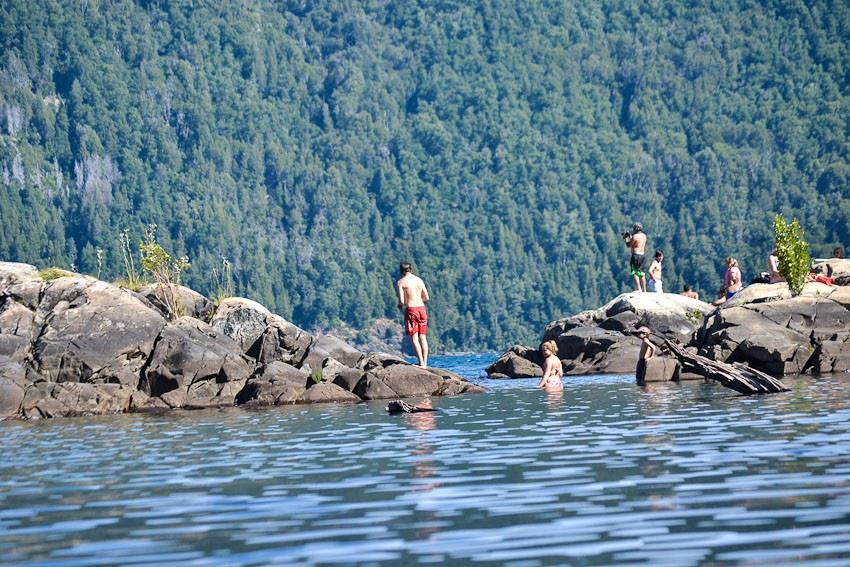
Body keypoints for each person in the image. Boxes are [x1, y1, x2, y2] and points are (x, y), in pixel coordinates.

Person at [396, 262, 430, 368]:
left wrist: (400, 305)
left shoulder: (401, 282)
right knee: (423, 337)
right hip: (422, 308)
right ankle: (425, 363)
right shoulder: (419, 280)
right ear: (411, 269)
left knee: (414, 337)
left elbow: (401, 300)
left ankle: (421, 363)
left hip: (411, 310)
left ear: (401, 271)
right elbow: (426, 297)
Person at [624, 222, 647, 292]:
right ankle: (644, 290)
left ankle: (638, 288)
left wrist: (626, 238)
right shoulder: (644, 236)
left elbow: (629, 245)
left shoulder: (635, 236)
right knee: (642, 273)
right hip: (642, 255)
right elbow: (637, 242)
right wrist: (631, 237)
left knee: (635, 272)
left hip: (636, 255)